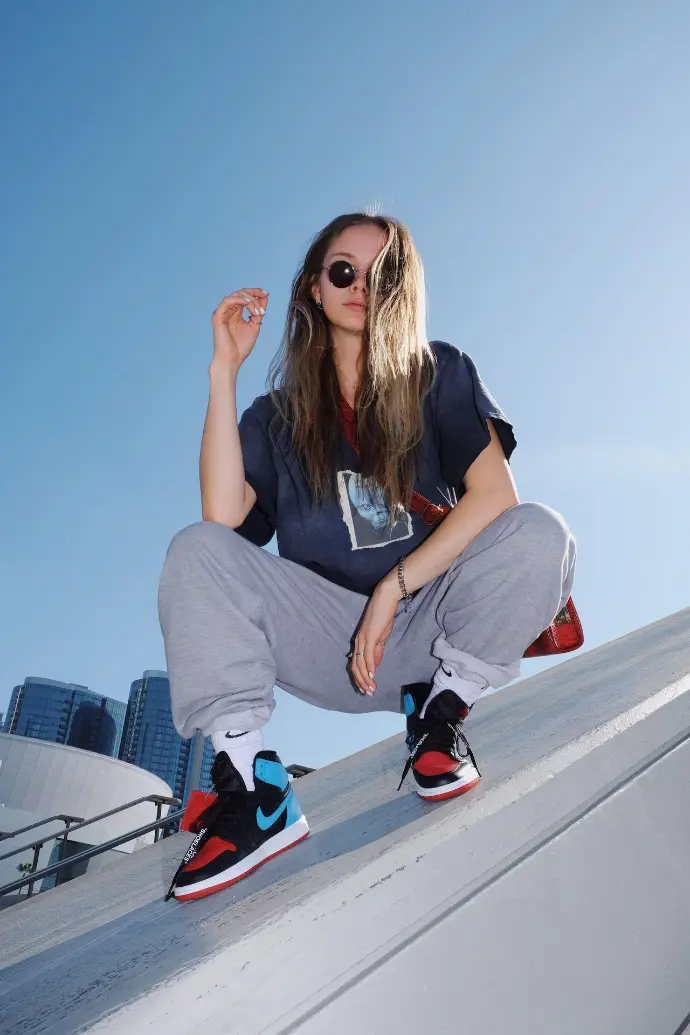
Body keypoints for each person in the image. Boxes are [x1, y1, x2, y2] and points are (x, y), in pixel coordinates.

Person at [159, 212, 576, 902]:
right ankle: (255, 790)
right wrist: (223, 370)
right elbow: (221, 519)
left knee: (541, 530)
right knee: (195, 550)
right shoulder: (275, 418)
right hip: (330, 643)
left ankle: (439, 716)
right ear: (314, 288)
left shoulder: (437, 371)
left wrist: (393, 588)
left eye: (382, 275)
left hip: (432, 630)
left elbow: (496, 495)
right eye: (344, 271)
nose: (361, 286)